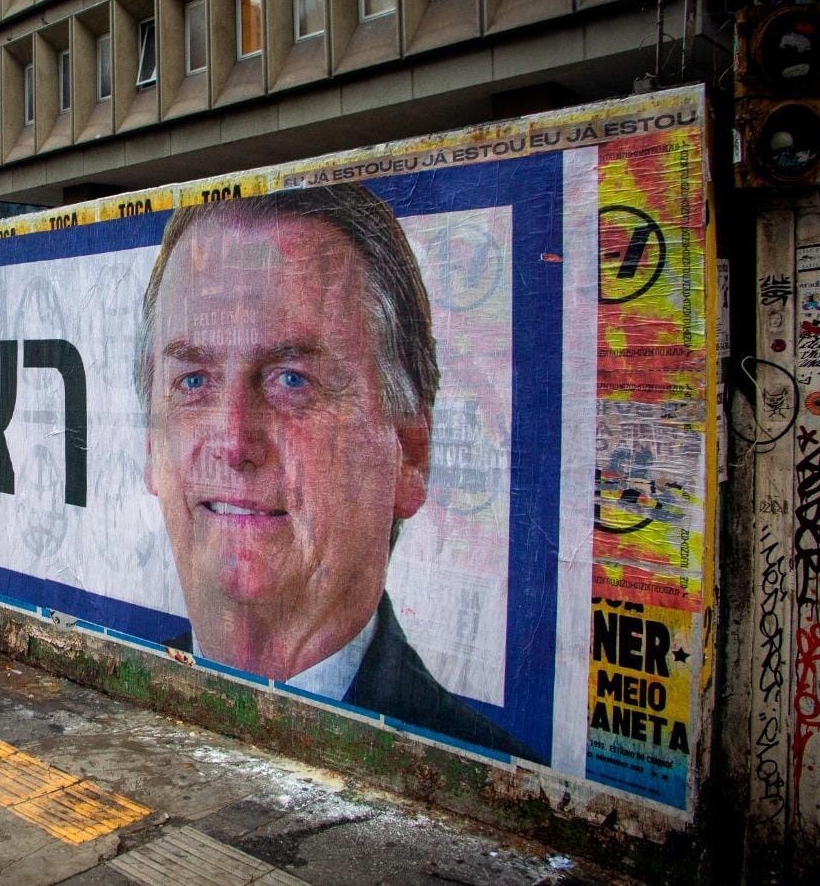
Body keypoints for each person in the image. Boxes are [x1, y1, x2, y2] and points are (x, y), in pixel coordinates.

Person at [136, 183, 534, 759]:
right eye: (192, 381)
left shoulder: (491, 778)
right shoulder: (116, 704)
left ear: (409, 453)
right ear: (152, 450)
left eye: (292, 379)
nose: (232, 441)